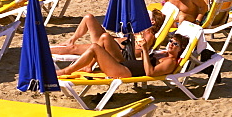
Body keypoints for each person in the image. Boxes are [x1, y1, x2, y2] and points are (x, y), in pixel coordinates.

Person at [58, 32, 188, 80]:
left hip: (124, 72)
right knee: (105, 37)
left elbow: (150, 72)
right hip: (124, 64)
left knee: (94, 47)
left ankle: (66, 70)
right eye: (171, 41)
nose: (171, 44)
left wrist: (144, 49)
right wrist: (144, 50)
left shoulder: (171, 61)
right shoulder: (163, 54)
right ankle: (89, 67)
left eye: (175, 44)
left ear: (181, 49)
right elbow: (144, 63)